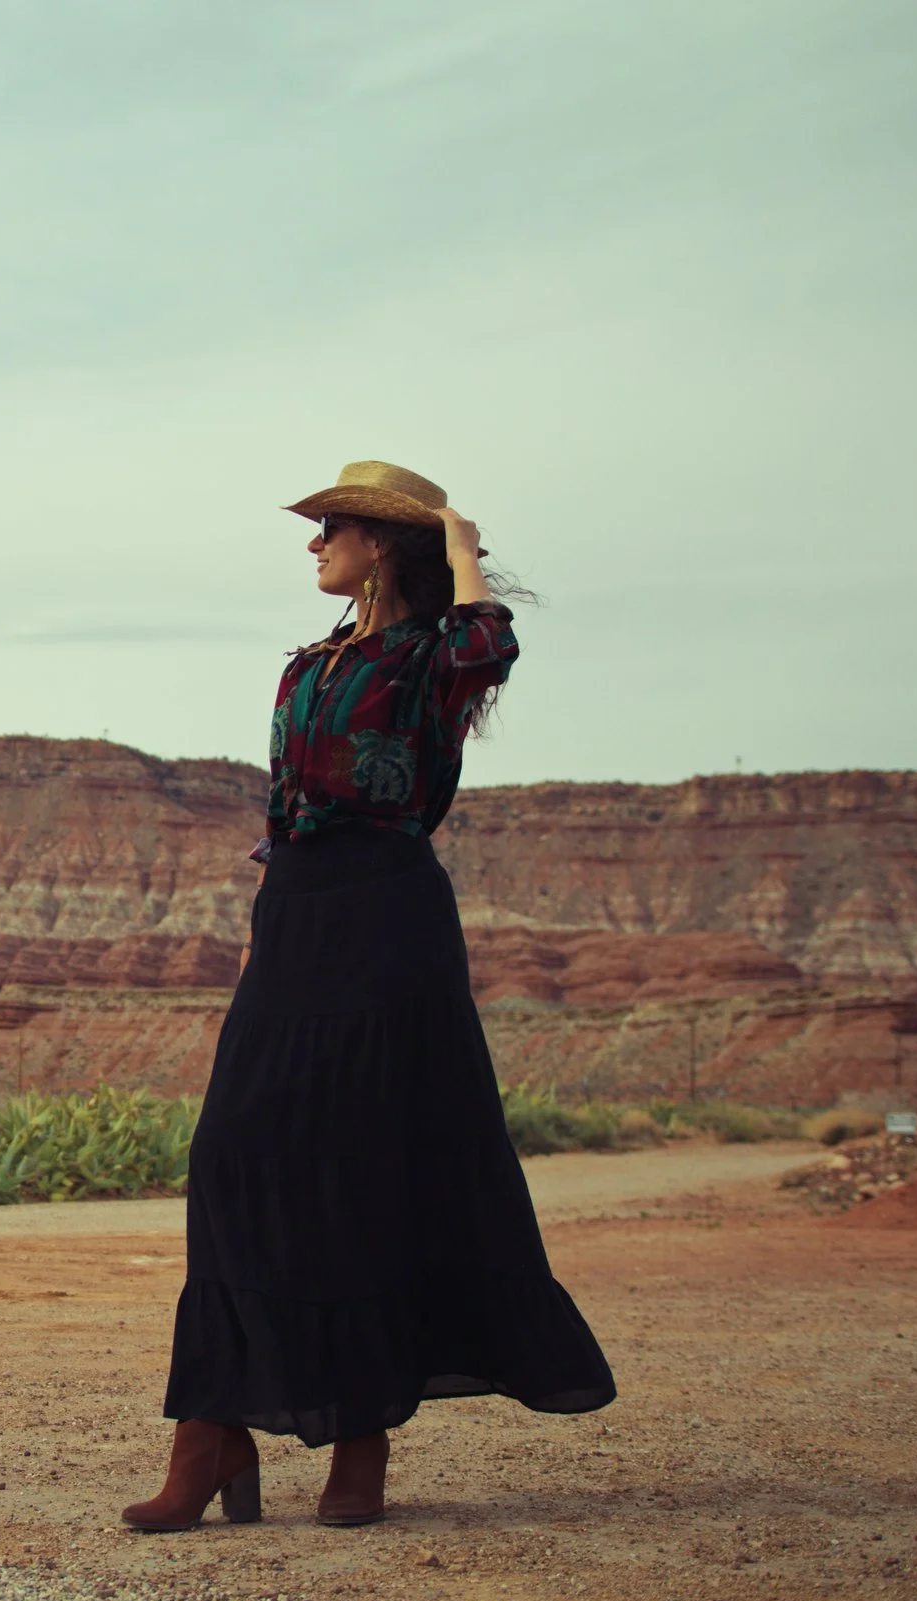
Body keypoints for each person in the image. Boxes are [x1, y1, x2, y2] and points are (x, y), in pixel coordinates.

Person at [122, 460, 615, 1533]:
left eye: (331, 528)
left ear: (380, 546)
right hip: (295, 913)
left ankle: (361, 1437)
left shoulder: (433, 653)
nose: (313, 545)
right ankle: (211, 1432)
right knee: (232, 1156)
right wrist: (261, 938)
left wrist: (462, 546)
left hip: (389, 917)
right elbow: (283, 804)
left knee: (363, 1164)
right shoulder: (306, 665)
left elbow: (494, 643)